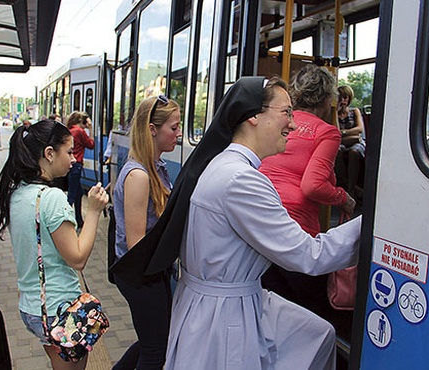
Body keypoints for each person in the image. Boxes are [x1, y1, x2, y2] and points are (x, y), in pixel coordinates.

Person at [111, 76, 361, 370]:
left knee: (317, 333)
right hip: (226, 318)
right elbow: (310, 255)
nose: (293, 124)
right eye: (286, 113)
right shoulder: (242, 180)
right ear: (254, 116)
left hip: (215, 307)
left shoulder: (223, 165)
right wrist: (371, 224)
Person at [0, 120, 108, 370]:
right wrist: (94, 211)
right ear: (49, 154)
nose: (74, 159)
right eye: (68, 152)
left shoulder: (17, 193)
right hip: (59, 309)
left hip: (34, 307)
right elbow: (77, 258)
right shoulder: (52, 198)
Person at [259, 65, 356, 320]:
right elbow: (313, 186)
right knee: (313, 316)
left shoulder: (280, 123)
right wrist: (343, 198)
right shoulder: (326, 132)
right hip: (296, 233)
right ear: (327, 99)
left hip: (261, 225)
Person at [111, 95, 182, 370]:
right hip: (141, 275)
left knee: (152, 340)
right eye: (173, 128)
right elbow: (136, 243)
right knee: (156, 351)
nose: (177, 134)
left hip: (149, 273)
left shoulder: (155, 168)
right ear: (152, 129)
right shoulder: (139, 175)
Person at [66, 111, 95, 228]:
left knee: (78, 193)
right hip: (76, 165)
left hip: (72, 165)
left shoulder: (70, 130)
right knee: (72, 195)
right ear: (80, 121)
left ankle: (79, 219)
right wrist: (91, 128)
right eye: (84, 122)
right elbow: (91, 144)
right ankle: (65, 220)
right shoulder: (79, 131)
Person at [336, 85, 365, 199]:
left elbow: (359, 129)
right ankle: (349, 186)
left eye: (345, 97)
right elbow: (336, 131)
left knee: (354, 152)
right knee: (336, 151)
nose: (342, 100)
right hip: (342, 143)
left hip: (355, 143)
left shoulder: (354, 111)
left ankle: (351, 189)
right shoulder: (334, 114)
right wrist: (336, 112)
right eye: (340, 98)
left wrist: (343, 133)